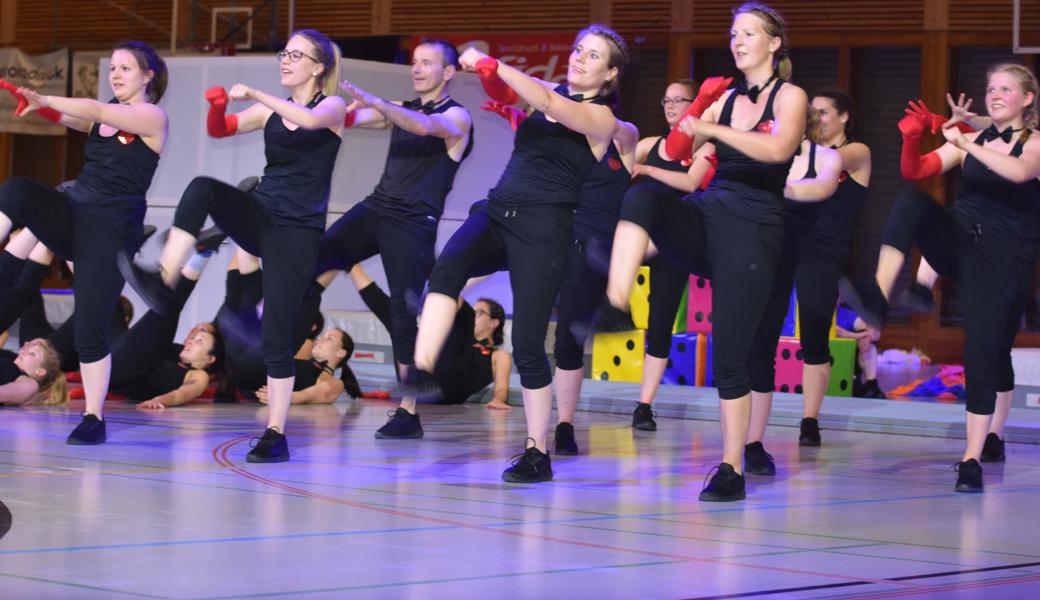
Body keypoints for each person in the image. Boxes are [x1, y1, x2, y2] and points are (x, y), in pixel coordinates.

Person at [410, 24, 629, 483]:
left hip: (544, 228)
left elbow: (549, 103)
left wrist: (497, 65)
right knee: (445, 271)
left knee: (528, 343)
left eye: (593, 56)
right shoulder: (548, 90)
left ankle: (537, 451)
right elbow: (508, 93)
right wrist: (490, 76)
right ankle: (422, 369)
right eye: (578, 50)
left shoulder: (602, 120)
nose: (579, 59)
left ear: (609, 74)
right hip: (498, 209)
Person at [606, 2, 806, 501]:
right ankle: (611, 297)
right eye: (734, 33)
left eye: (749, 33)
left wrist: (712, 128)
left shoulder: (790, 96)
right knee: (644, 192)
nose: (737, 41)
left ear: (774, 43)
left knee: (731, 357)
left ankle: (732, 466)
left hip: (756, 228)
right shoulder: (723, 101)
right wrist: (698, 111)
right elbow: (679, 157)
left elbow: (780, 150)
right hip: (707, 213)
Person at [120, 29, 346, 463]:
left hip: (297, 233)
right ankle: (164, 277)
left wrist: (256, 93)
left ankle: (275, 433)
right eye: (284, 52)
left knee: (276, 340)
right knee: (203, 187)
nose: (285, 60)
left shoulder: (331, 107)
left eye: (295, 55)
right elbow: (220, 130)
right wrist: (220, 106)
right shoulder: (270, 112)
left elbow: (312, 122)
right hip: (261, 213)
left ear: (318, 67)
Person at [843, 64, 1040, 492]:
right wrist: (914, 138)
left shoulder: (1034, 144)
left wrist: (966, 138)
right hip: (961, 241)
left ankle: (983, 448)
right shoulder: (974, 140)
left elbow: (1021, 172)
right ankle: (880, 298)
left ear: (1027, 98)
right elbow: (918, 171)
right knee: (912, 201)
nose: (995, 94)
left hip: (1005, 261)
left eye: (1006, 89)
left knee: (988, 353)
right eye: (991, 88)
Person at [296, 39, 473, 432]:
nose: (417, 69)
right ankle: (283, 346)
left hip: (413, 223)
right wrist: (328, 108)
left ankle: (409, 411)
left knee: (402, 312)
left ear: (448, 73)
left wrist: (378, 103)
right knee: (316, 260)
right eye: (414, 62)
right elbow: (352, 121)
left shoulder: (458, 118)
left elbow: (425, 126)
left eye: (427, 63)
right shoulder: (401, 111)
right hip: (376, 209)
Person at [0, 41, 169, 444]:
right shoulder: (104, 117)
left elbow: (91, 110)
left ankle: (93, 419)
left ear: (147, 76)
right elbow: (74, 118)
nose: (115, 73)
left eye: (126, 68)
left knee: (90, 329)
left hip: (110, 229)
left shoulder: (151, 115)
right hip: (74, 210)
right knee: (16, 191)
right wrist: (39, 106)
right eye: (113, 67)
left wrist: (43, 95)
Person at [744, 110, 842, 475]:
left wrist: (774, 190)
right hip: (768, 255)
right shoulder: (761, 154)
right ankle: (750, 442)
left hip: (812, 253)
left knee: (814, 338)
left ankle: (808, 421)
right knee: (758, 349)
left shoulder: (826, 156)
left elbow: (822, 187)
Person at [343, 265, 510, 414]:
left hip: (450, 391)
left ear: (494, 323)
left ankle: (443, 282)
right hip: (419, 382)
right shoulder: (457, 337)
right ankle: (352, 266)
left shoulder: (499, 355)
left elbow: (501, 387)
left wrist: (498, 400)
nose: (476, 316)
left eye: (480, 312)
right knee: (398, 321)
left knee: (464, 316)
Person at [0, 338, 67, 407]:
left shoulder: (30, 384)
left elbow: (6, 392)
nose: (24, 351)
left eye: (32, 354)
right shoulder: (8, 360)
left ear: (40, 371)